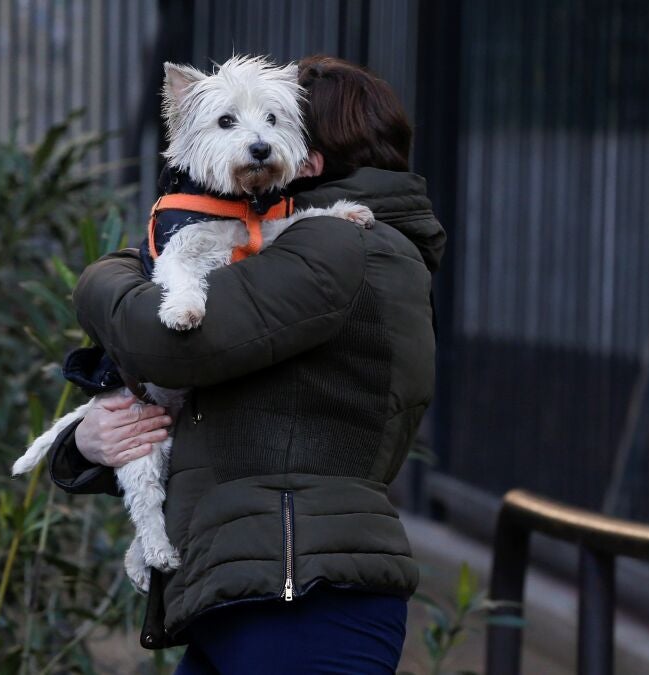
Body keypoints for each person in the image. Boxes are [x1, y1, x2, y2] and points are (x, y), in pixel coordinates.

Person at [47, 55, 446, 674]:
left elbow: (164, 343)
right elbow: (238, 421)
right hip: (260, 583)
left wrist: (104, 273)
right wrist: (87, 443)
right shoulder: (337, 246)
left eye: (280, 120)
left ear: (310, 157)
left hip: (301, 598)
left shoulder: (338, 245)